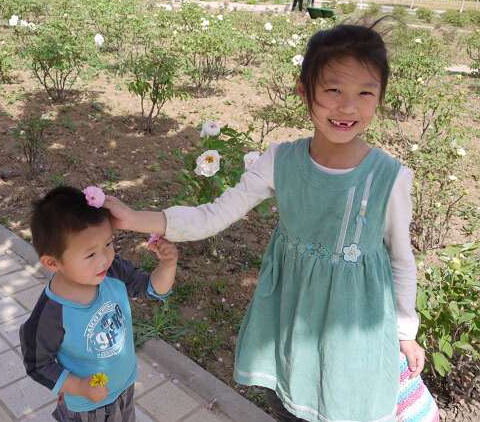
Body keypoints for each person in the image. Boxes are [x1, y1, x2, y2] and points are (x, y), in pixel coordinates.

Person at [103, 21, 429, 422]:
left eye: (366, 92)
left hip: (355, 332)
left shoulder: (388, 176)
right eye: (333, 90)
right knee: (291, 402)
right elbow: (212, 215)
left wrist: (404, 333)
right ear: (303, 89)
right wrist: (133, 218)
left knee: (347, 405)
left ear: (380, 97)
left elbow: (400, 258)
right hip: (292, 321)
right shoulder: (281, 161)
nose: (349, 107)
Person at [19, 186, 177, 422]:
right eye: (90, 255)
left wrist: (167, 265)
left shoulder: (112, 272)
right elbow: (38, 364)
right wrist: (79, 386)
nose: (104, 258)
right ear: (53, 263)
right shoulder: (52, 314)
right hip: (88, 405)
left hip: (124, 385)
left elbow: (153, 288)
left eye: (108, 244)